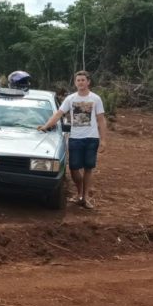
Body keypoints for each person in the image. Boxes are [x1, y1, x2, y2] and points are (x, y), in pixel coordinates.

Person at [38, 71, 107, 209]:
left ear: (88, 82)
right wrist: (46, 126)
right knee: (74, 168)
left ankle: (84, 197)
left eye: (83, 80)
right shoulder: (70, 99)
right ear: (75, 83)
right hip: (75, 138)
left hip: (91, 138)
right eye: (78, 80)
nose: (80, 82)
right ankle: (80, 191)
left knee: (88, 168)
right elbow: (58, 114)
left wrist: (103, 139)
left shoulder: (96, 99)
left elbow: (101, 119)